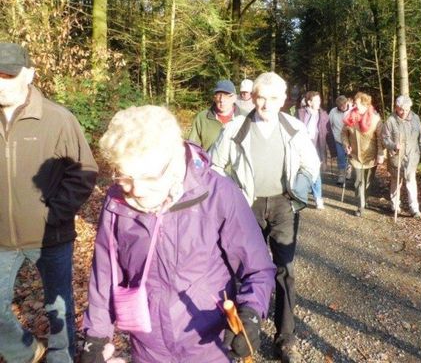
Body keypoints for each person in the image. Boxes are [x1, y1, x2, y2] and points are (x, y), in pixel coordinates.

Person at [81, 105, 275, 363]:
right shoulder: (117, 202)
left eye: (148, 177)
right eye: (125, 177)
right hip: (147, 348)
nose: (136, 190)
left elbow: (258, 269)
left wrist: (250, 313)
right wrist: (95, 338)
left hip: (208, 344)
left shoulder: (219, 195)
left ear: (173, 160)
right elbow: (104, 272)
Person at [210, 72, 320, 363]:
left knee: (285, 270)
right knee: (247, 271)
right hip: (247, 208)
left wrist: (301, 185)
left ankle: (286, 339)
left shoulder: (295, 128)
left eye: (273, 98)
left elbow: (312, 163)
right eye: (261, 97)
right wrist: (230, 197)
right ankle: (243, 333)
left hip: (285, 206)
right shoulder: (235, 129)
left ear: (283, 100)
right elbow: (215, 166)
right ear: (253, 98)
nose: (266, 104)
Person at [0, 42, 98, 363]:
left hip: (50, 237)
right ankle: (24, 351)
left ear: (28, 74)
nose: (1, 83)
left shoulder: (57, 119)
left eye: (8, 75)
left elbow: (83, 171)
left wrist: (54, 213)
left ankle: (62, 358)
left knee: (59, 309)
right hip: (1, 239)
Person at [381, 95, 421, 218]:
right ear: (396, 108)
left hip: (412, 157)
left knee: (411, 182)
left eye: (407, 110)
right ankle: (395, 205)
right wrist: (393, 145)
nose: (404, 112)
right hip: (396, 158)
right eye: (401, 109)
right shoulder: (390, 121)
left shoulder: (415, 118)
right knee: (396, 182)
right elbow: (384, 139)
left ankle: (414, 209)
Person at [341, 92, 384, 217]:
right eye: (355, 103)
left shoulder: (375, 118)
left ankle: (365, 199)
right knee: (358, 182)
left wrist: (381, 154)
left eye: (358, 103)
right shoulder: (350, 117)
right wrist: (346, 144)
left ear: (365, 104)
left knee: (368, 182)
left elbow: (380, 138)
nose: (355, 105)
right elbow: (344, 133)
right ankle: (360, 206)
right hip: (355, 155)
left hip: (371, 155)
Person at [296, 91, 330, 209]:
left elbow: (328, 134)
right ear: (309, 102)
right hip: (302, 146)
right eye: (316, 101)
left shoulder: (324, 115)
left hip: (316, 147)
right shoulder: (300, 113)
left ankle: (318, 198)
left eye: (319, 100)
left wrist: (333, 151)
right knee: (300, 171)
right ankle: (300, 195)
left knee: (316, 173)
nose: (319, 103)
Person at [188, 79, 241, 151]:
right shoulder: (202, 118)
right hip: (209, 161)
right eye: (219, 95)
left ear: (234, 98)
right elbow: (193, 148)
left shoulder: (245, 117)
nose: (222, 100)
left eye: (226, 95)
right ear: (214, 98)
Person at [329, 95, 352, 185]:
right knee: (341, 157)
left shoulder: (352, 110)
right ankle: (341, 175)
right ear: (338, 106)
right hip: (338, 139)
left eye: (344, 104)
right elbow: (329, 124)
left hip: (350, 139)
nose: (343, 107)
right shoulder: (333, 112)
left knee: (349, 156)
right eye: (341, 106)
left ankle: (349, 169)